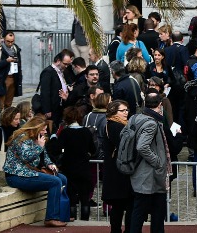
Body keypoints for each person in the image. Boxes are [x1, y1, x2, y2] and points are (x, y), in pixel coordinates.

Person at [4, 116, 70, 227]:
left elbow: (45, 156)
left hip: (29, 173)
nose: (45, 132)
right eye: (43, 129)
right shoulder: (21, 138)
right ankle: (51, 217)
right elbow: (26, 157)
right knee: (55, 182)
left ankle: (62, 213)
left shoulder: (38, 137)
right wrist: (39, 147)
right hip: (16, 175)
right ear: (35, 128)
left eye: (45, 129)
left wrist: (50, 164)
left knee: (62, 178)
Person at [129, 93, 171, 233]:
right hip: (150, 175)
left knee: (140, 212)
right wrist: (157, 161)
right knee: (151, 213)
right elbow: (142, 146)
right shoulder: (152, 123)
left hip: (141, 173)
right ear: (159, 105)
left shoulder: (135, 118)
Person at [56, 106, 96, 220]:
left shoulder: (65, 133)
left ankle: (72, 218)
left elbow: (58, 148)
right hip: (84, 168)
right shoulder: (86, 132)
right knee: (85, 198)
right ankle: (85, 220)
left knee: (71, 197)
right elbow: (93, 149)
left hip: (69, 168)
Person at [101, 101, 132, 233]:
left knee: (119, 206)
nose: (126, 113)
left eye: (127, 110)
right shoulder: (116, 126)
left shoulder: (112, 125)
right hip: (118, 171)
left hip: (114, 169)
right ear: (114, 112)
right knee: (125, 204)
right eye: (122, 110)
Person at [0, 31, 22, 108]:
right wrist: (6, 61)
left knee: (8, 103)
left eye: (12, 41)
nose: (10, 43)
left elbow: (19, 64)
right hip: (3, 78)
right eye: (8, 41)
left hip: (13, 77)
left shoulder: (15, 49)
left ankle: (7, 118)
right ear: (4, 39)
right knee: (1, 103)